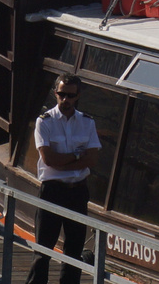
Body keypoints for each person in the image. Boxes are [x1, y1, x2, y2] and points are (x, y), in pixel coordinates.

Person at [26, 74, 100, 284]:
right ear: (55, 93)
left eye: (70, 95)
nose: (65, 99)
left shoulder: (87, 122)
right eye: (61, 94)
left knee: (74, 250)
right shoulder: (45, 122)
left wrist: (65, 161)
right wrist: (79, 156)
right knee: (43, 248)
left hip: (77, 191)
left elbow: (93, 159)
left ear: (78, 96)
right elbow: (49, 159)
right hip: (52, 191)